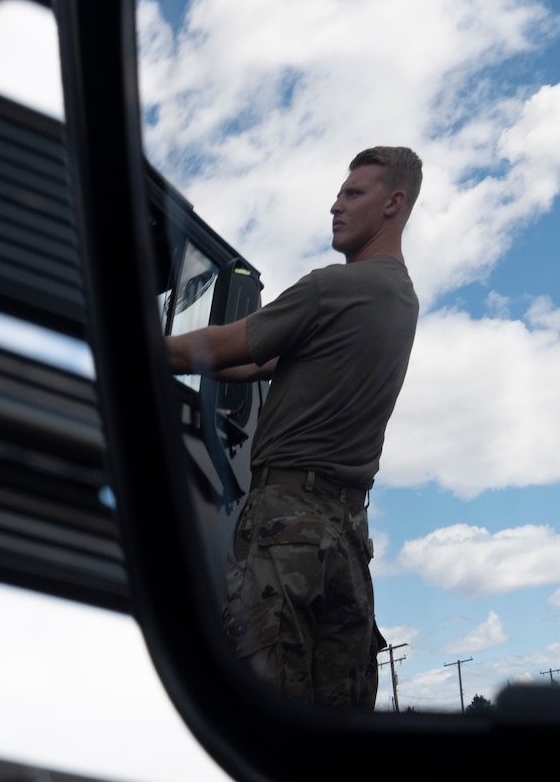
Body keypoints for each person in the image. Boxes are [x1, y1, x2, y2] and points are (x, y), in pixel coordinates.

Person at [165, 146, 422, 707]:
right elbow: (259, 363)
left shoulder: (332, 287)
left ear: (393, 204)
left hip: (287, 523)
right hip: (349, 535)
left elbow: (226, 344)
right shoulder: (399, 301)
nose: (336, 205)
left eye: (354, 194)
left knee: (267, 708)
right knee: (337, 725)